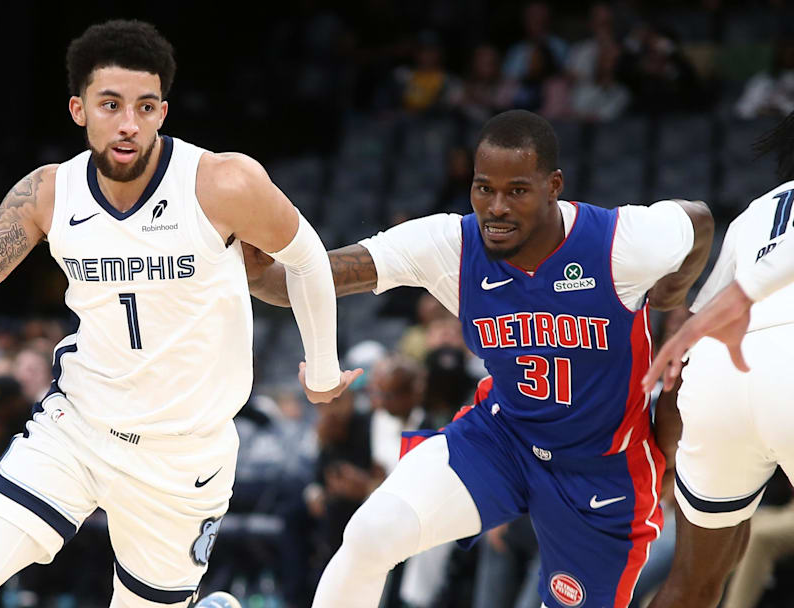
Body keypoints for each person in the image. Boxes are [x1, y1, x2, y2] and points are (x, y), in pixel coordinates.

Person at [0, 19, 359, 608]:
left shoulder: (223, 182)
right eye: (111, 105)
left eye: (145, 106)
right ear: (79, 109)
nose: (129, 123)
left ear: (163, 113)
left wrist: (323, 368)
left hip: (183, 458)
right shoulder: (48, 193)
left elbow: (307, 256)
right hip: (77, 428)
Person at [246, 109, 714, 608]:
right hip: (503, 439)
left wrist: (671, 295)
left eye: (517, 191)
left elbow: (701, 221)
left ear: (553, 186)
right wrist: (257, 273)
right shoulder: (451, 244)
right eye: (484, 188)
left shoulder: (621, 242)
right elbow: (319, 275)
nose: (497, 207)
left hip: (602, 468)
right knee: (371, 534)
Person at [643, 111, 794, 608]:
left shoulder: (757, 211)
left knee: (693, 582)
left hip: (718, 374)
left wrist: (666, 444)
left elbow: (699, 328)